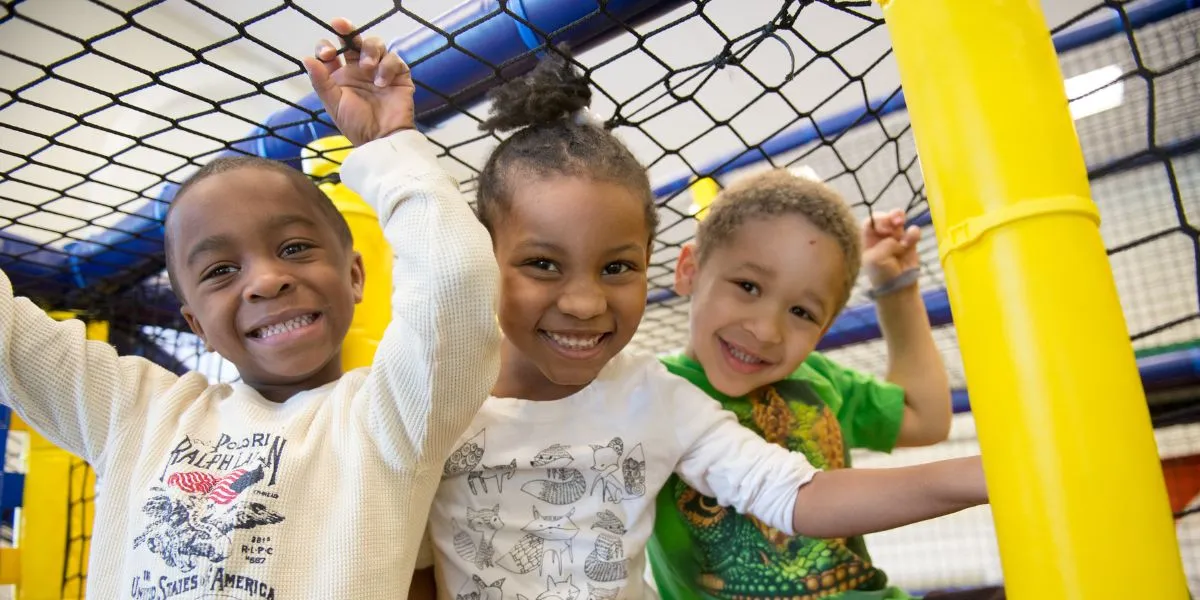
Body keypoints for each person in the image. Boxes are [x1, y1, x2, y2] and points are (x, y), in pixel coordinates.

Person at [410, 51, 987, 600]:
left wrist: (990, 474)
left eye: (616, 267)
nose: (585, 302)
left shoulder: (658, 398)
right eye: (543, 264)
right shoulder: (435, 397)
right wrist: (387, 149)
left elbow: (796, 489)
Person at [0, 19, 499, 599]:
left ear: (355, 276)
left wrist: (388, 149)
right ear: (195, 326)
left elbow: (456, 279)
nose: (265, 281)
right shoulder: (135, 411)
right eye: (220, 271)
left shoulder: (392, 415)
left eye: (294, 248)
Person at [645, 169, 1006, 600]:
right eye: (747, 286)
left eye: (802, 312)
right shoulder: (646, 395)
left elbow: (924, 420)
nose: (766, 330)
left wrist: (896, 290)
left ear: (826, 327)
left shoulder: (813, 379)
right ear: (689, 270)